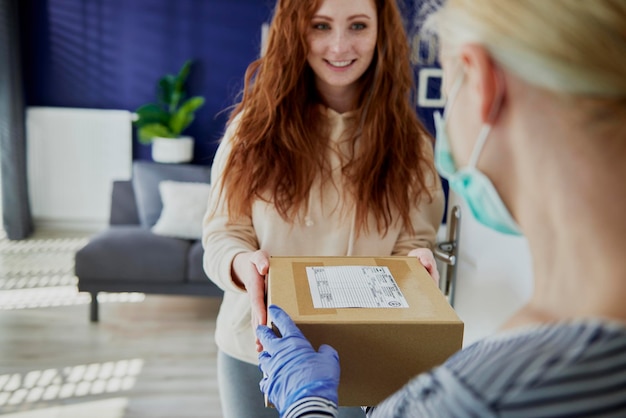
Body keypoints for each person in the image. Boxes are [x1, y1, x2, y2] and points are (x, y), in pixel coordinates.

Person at [255, 0, 626, 417]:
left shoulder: (466, 399)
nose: (339, 44)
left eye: (450, 89)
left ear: (481, 82)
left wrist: (306, 404)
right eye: (321, 26)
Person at [201, 0, 445, 416]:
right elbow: (224, 233)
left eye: (357, 25)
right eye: (320, 25)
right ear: (296, 31)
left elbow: (412, 242)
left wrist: (415, 265)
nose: (339, 45)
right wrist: (242, 264)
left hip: (356, 354)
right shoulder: (251, 131)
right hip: (256, 347)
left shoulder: (411, 146)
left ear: (381, 33)